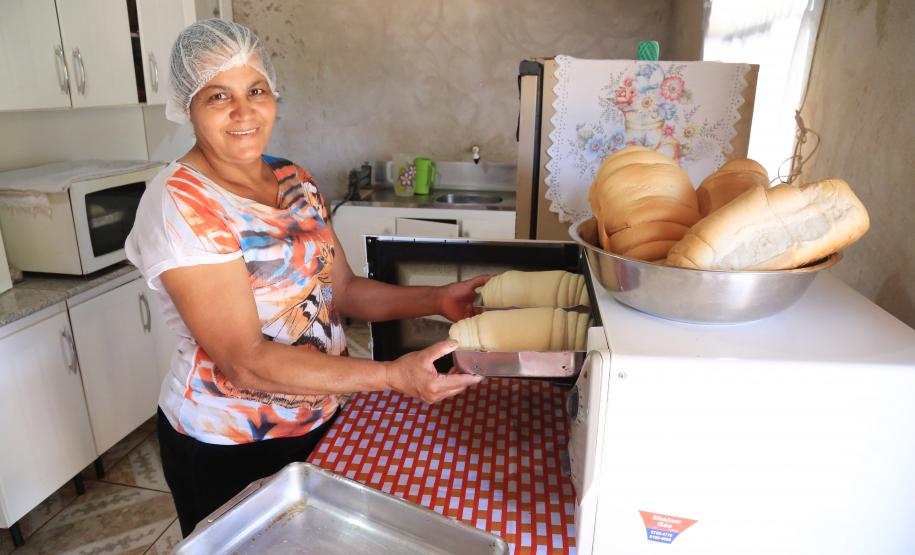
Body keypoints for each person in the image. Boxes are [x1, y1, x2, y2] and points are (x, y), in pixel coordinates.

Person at [125, 19, 486, 537]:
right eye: (218, 96)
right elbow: (246, 362)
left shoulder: (295, 178)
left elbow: (345, 290)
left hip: (318, 419)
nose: (244, 111)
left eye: (256, 90)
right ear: (188, 107)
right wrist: (391, 377)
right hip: (228, 445)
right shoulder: (180, 204)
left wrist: (436, 298)